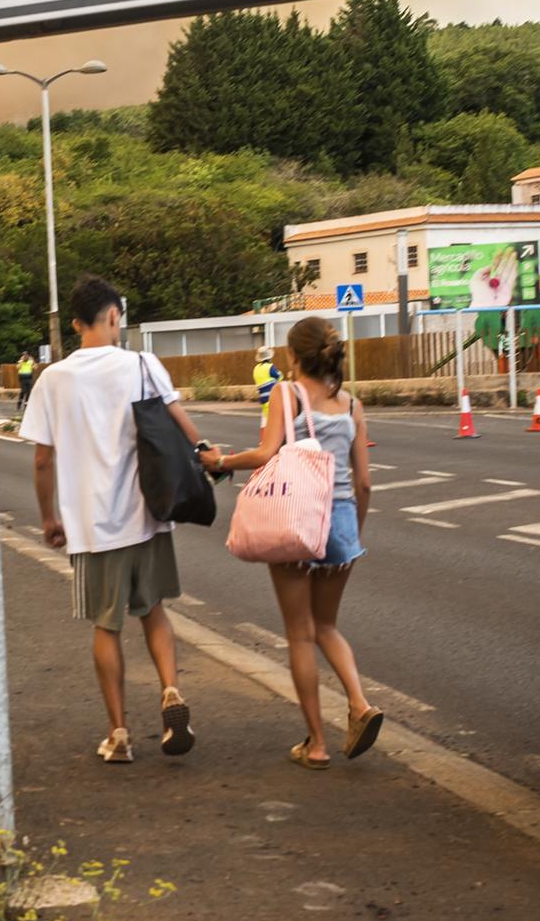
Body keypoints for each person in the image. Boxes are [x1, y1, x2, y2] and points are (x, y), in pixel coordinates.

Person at [22, 276, 207, 764]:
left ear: (76, 323)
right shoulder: (144, 364)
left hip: (91, 523)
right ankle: (170, 691)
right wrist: (209, 455)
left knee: (106, 628)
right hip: (146, 514)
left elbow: (43, 460)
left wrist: (49, 518)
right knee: (154, 612)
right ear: (113, 316)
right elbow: (180, 424)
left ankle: (119, 733)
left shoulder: (53, 378)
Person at [203, 317, 383, 769]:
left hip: (297, 517)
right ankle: (360, 704)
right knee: (327, 626)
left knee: (300, 634)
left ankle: (317, 744)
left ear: (294, 357)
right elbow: (363, 483)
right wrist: (353, 533)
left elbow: (266, 454)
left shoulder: (287, 393)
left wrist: (220, 460)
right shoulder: (353, 406)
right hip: (340, 522)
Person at [252, 346, 280, 429]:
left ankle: (264, 439)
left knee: (266, 420)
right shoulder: (270, 367)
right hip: (272, 397)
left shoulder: (256, 369)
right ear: (269, 357)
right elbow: (279, 376)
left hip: (263, 399)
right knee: (274, 422)